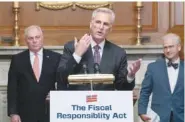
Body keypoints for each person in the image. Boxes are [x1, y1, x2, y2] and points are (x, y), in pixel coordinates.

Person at [57, 7, 141, 90]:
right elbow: (61, 77)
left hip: (106, 102)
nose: (101, 27)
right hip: (77, 101)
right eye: (98, 22)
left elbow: (122, 88)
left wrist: (130, 76)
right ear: (91, 24)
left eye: (105, 24)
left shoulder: (118, 53)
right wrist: (77, 55)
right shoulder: (72, 47)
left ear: (110, 29)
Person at [7, 25, 61, 122]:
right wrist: (13, 113)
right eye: (31, 38)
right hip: (25, 113)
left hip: (49, 112)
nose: (34, 41)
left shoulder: (56, 58)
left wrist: (56, 94)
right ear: (26, 40)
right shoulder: (17, 60)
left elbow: (62, 83)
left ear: (42, 38)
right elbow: (12, 88)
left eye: (37, 37)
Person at [138, 33, 184, 122]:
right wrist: (142, 112)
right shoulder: (153, 68)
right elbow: (145, 91)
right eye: (165, 47)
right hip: (158, 117)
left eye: (171, 47)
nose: (167, 50)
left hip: (181, 117)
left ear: (179, 47)